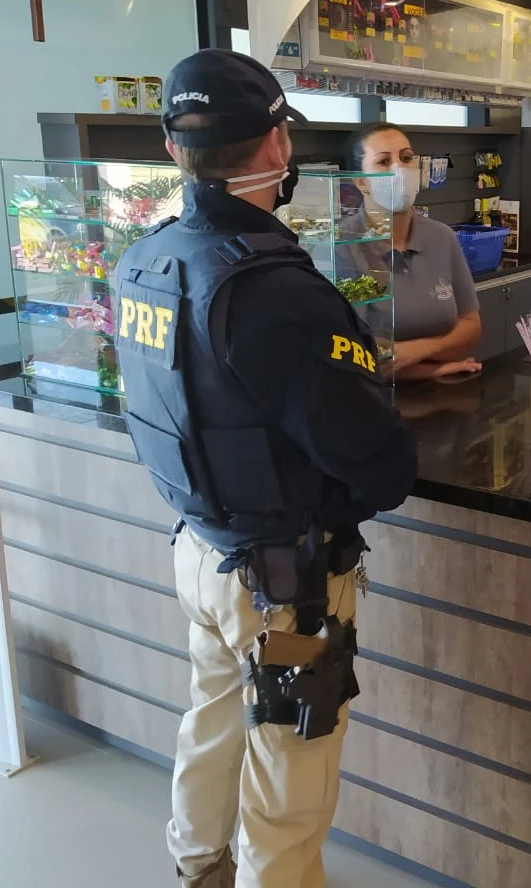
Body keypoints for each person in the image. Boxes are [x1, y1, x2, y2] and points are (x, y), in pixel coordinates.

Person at [112, 49, 418, 888]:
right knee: (289, 781)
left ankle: (196, 866)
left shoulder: (146, 261)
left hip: (201, 552)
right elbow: (378, 461)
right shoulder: (272, 289)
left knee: (212, 723)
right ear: (278, 145)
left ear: (175, 150)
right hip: (284, 583)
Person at [342, 123, 483, 380]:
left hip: (443, 392)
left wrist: (418, 350)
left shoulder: (442, 237)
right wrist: (434, 369)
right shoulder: (342, 247)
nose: (399, 169)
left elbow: (471, 326)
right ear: (361, 182)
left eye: (406, 158)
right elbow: (351, 355)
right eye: (384, 161)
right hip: (371, 396)